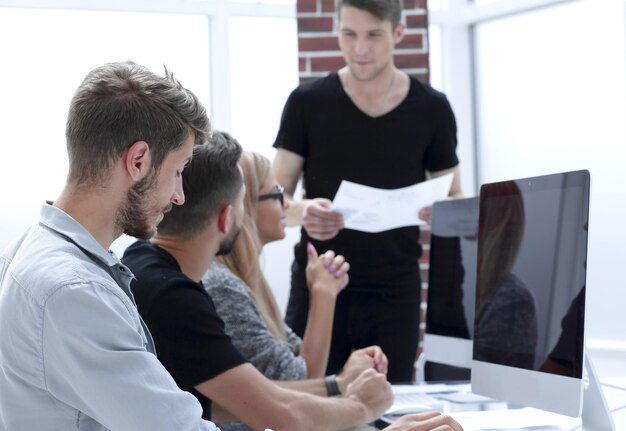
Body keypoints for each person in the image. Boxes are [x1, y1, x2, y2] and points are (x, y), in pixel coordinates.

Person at [123, 132, 464, 431]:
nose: (288, 204)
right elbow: (282, 410)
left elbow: (238, 400)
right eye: (275, 194)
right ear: (228, 216)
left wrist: (340, 385)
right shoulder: (181, 295)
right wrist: (362, 407)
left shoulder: (145, 261)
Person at [0, 61, 216, 430]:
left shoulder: (27, 250)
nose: (179, 196)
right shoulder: (74, 291)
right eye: (179, 170)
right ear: (138, 160)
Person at [271, 0, 462, 382]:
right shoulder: (306, 102)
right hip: (319, 281)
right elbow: (275, 198)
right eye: (349, 35)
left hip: (396, 291)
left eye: (373, 35)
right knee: (305, 397)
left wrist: (438, 209)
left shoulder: (432, 108)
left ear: (398, 34)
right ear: (337, 33)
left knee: (390, 405)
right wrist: (305, 210)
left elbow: (456, 199)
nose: (359, 48)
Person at [204, 150, 369, 392]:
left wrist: (350, 371)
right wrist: (324, 292)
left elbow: (298, 366)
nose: (288, 204)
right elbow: (301, 382)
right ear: (245, 206)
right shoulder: (223, 288)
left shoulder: (246, 282)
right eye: (278, 194)